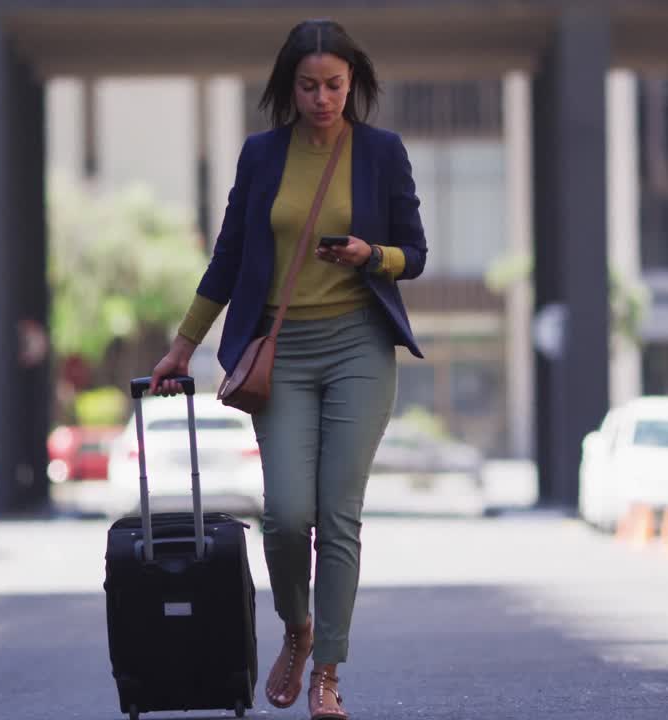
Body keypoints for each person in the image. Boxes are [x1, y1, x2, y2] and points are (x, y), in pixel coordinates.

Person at [149, 18, 426, 720]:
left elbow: (414, 254)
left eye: (335, 85)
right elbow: (229, 255)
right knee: (284, 517)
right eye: (309, 86)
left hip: (360, 345)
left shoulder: (382, 153)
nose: (323, 98)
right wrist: (184, 344)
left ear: (353, 84)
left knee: (337, 516)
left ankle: (327, 672)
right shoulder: (261, 155)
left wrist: (373, 256)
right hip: (282, 350)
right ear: (289, 87)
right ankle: (297, 629)